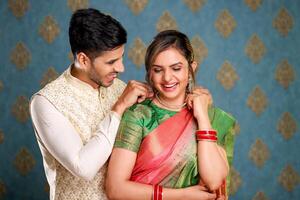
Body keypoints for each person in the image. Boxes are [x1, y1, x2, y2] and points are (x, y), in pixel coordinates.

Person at [30, 8, 153, 200]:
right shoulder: (46, 102)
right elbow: (83, 167)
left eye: (121, 58)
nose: (121, 68)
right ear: (83, 59)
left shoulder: (120, 89)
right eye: (111, 62)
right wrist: (119, 108)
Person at [106, 30, 236, 200]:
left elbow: (214, 181)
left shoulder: (211, 117)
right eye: (158, 70)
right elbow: (115, 189)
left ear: (191, 69)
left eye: (176, 68)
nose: (167, 78)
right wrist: (181, 195)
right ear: (150, 73)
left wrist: (202, 118)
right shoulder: (139, 115)